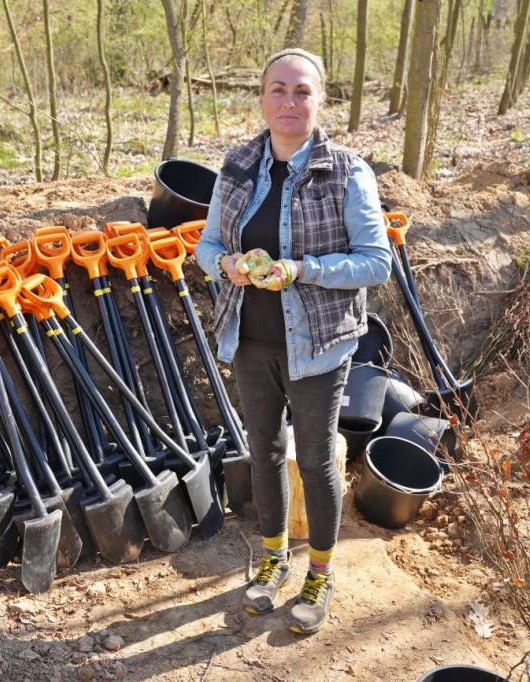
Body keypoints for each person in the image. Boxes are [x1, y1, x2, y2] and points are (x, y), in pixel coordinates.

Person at [194, 47, 391, 635]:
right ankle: (274, 559)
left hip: (320, 345)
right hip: (248, 340)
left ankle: (320, 574)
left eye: (302, 91)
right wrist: (225, 263)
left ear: (321, 100)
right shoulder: (236, 167)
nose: (289, 101)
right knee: (264, 452)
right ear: (261, 97)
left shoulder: (348, 171)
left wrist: (303, 269)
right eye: (278, 90)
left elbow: (376, 261)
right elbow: (203, 246)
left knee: (313, 458)